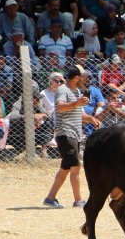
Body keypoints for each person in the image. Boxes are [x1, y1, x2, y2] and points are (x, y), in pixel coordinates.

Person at [42, 66, 100, 209]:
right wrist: (76, 103)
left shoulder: (76, 91)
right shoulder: (63, 90)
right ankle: (77, 200)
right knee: (74, 166)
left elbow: (78, 113)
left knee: (68, 167)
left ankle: (51, 198)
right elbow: (61, 107)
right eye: (82, 77)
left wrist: (91, 119)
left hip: (74, 134)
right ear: (76, 78)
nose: (84, 80)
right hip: (66, 133)